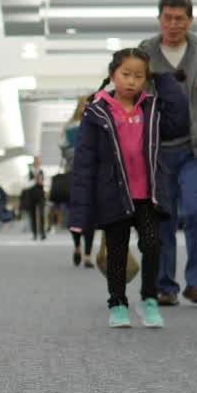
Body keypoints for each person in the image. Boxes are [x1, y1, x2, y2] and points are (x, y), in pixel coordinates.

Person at [68, 48, 190, 328]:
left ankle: (149, 299)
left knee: (152, 243)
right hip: (113, 193)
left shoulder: (152, 107)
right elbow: (85, 161)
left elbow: (180, 121)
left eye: (139, 76)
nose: (132, 81)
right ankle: (118, 303)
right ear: (112, 75)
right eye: (126, 74)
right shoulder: (96, 112)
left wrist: (165, 81)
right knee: (118, 251)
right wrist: (80, 212)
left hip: (147, 194)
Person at [139, 0, 197, 306]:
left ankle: (195, 283)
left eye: (180, 18)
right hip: (158, 152)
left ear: (190, 20)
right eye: (168, 18)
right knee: (163, 218)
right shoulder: (145, 51)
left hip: (196, 148)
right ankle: (166, 286)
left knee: (196, 211)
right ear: (159, 19)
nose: (174, 24)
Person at [62, 95, 96, 268]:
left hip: (91, 175)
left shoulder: (98, 124)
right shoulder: (70, 128)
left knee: (89, 216)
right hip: (76, 175)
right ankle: (77, 246)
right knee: (76, 214)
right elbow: (65, 151)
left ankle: (88, 254)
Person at [22, 172, 47, 240]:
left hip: (40, 197)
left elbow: (43, 190)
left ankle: (42, 233)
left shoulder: (41, 173)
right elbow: (26, 187)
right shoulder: (29, 178)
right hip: (32, 198)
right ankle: (35, 234)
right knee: (33, 216)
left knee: (41, 216)